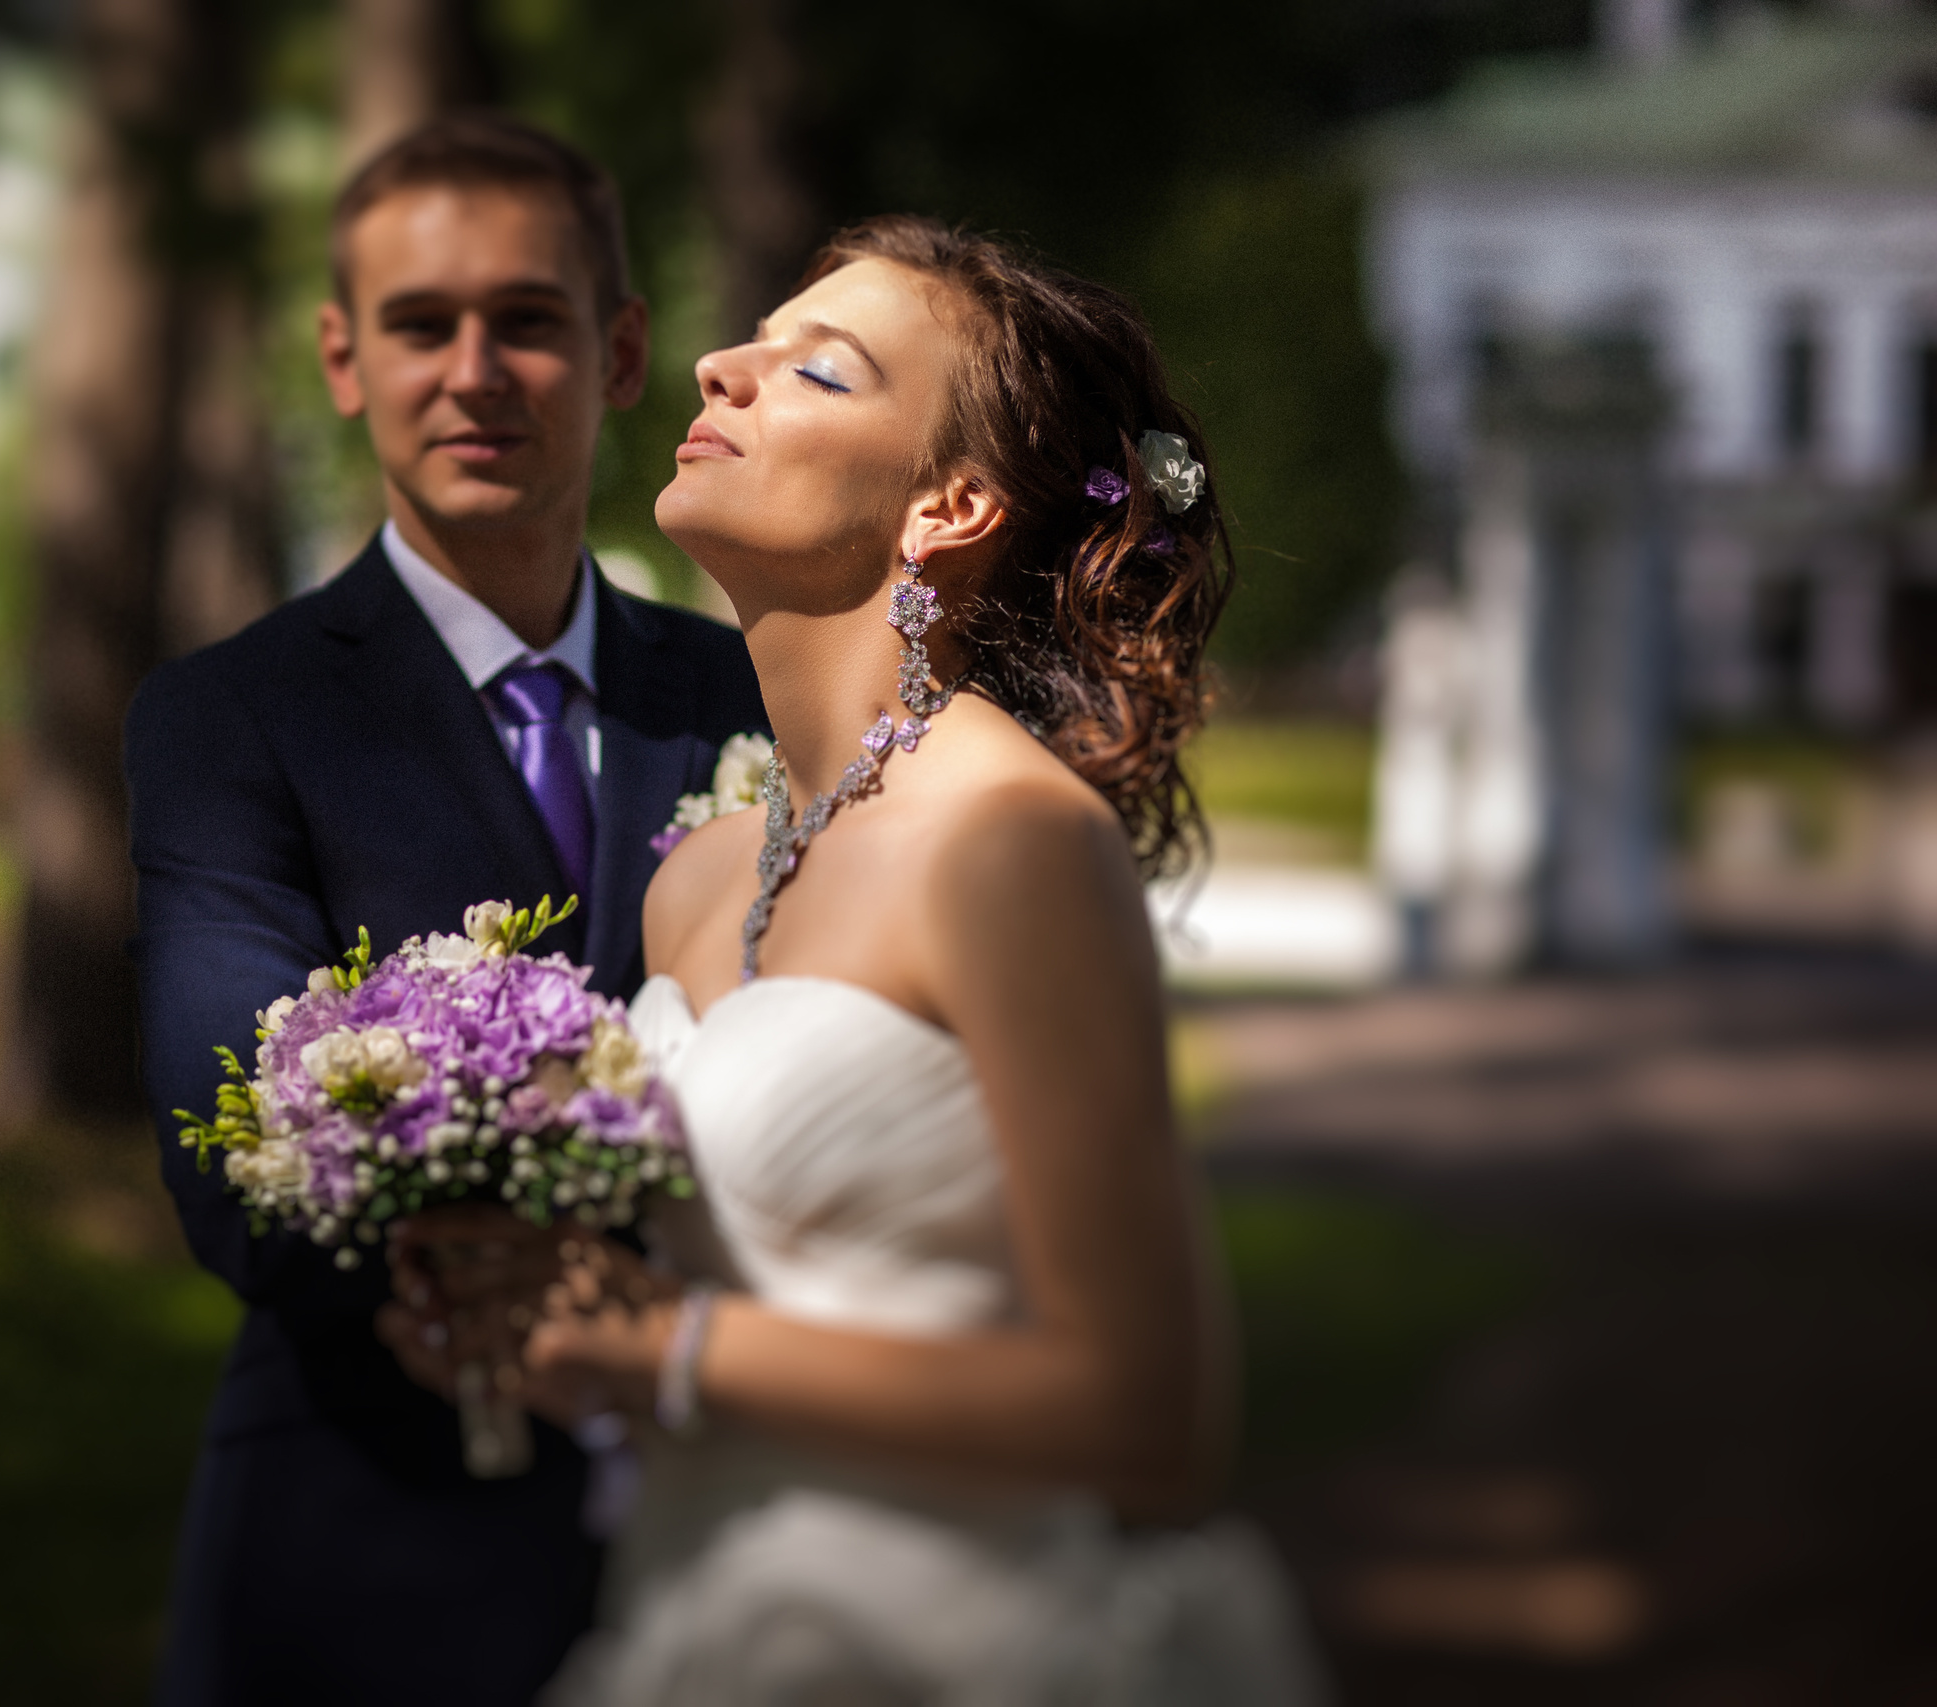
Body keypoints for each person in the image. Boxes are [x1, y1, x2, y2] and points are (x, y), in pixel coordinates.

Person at [390, 217, 1324, 1702]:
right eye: (749, 342)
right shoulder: (698, 881)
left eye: (818, 371)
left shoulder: (1009, 842)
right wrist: (540, 1325)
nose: (721, 367)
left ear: (950, 506)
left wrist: (668, 1347)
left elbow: (1152, 1421)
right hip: (694, 1619)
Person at [125, 115, 768, 1706]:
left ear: (623, 353)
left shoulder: (755, 699)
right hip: (364, 1559)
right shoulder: (229, 720)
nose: (475, 372)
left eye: (528, 319)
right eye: (421, 325)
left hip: (745, 1538)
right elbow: (243, 1160)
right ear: (345, 362)